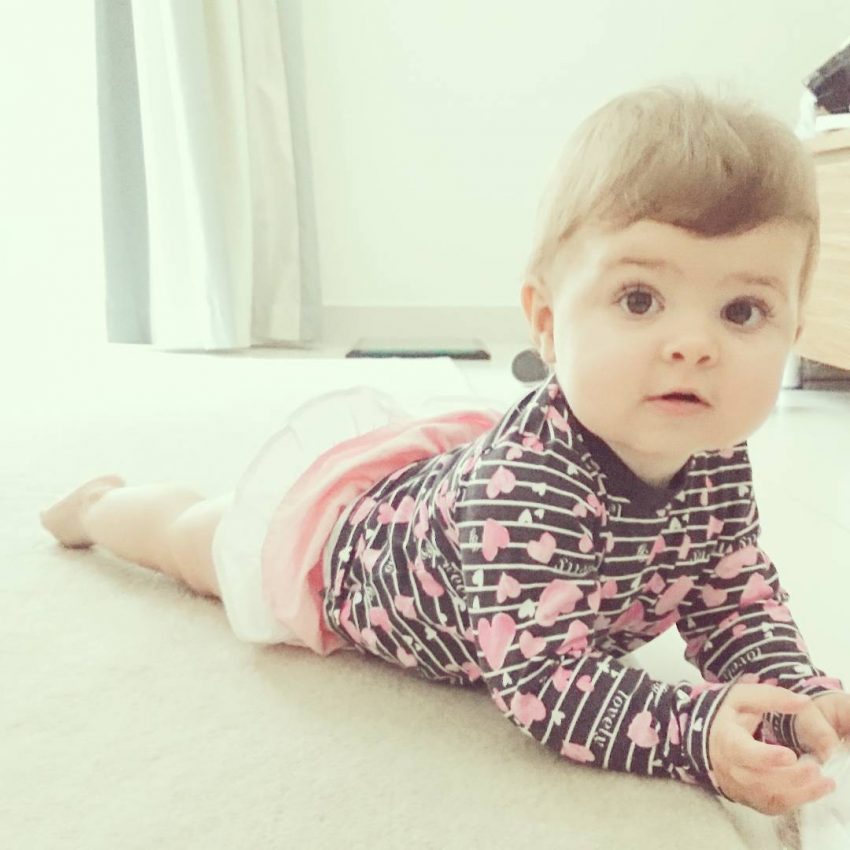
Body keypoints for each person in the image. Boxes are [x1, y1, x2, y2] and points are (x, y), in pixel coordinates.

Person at [42, 83, 850, 817]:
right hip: (340, 554)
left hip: (451, 507)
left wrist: (795, 691)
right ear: (548, 324)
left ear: (791, 330)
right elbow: (543, 683)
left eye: (742, 311)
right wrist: (692, 732)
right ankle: (101, 507)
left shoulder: (713, 454)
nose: (694, 346)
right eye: (640, 299)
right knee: (199, 542)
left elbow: (730, 590)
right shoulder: (529, 487)